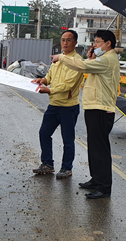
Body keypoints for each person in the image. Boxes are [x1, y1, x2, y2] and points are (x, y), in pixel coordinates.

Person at [50, 30, 120, 199]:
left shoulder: (108, 59)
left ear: (108, 43)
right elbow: (90, 66)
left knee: (100, 149)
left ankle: (104, 187)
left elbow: (82, 66)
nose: (94, 45)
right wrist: (92, 57)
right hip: (94, 107)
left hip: (101, 109)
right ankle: (96, 180)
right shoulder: (102, 59)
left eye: (97, 42)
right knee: (94, 147)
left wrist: (62, 57)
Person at [31, 30, 86, 179]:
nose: (65, 43)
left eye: (69, 40)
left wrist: (49, 90)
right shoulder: (57, 59)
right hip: (54, 105)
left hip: (68, 107)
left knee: (67, 139)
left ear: (75, 43)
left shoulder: (77, 62)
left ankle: (67, 167)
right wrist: (43, 81)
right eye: (63, 40)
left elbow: (68, 85)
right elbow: (50, 75)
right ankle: (48, 164)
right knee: (44, 133)